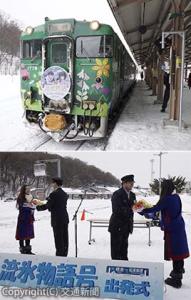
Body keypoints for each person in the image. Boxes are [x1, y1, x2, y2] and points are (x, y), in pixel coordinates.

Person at [142, 179, 189, 288]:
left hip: (173, 229)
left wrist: (141, 210)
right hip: (178, 227)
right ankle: (178, 272)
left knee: (175, 252)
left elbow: (155, 208)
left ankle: (177, 280)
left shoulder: (167, 199)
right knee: (179, 252)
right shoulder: (176, 197)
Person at [37, 177, 69, 256]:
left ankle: (59, 255)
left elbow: (49, 205)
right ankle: (64, 254)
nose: (51, 184)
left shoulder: (53, 194)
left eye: (52, 183)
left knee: (58, 238)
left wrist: (38, 207)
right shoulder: (64, 194)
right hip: (64, 218)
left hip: (57, 219)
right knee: (64, 237)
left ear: (55, 183)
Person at [108, 175, 136, 260]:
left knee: (124, 249)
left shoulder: (132, 195)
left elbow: (134, 207)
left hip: (127, 226)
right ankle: (115, 268)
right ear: (124, 183)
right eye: (130, 183)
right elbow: (116, 210)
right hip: (117, 226)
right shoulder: (117, 194)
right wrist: (131, 209)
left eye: (133, 183)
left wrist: (141, 208)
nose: (132, 185)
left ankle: (124, 266)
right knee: (116, 250)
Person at [15, 185, 36, 254]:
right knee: (22, 233)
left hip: (29, 217)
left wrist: (33, 207)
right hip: (22, 217)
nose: (28, 190)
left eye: (29, 189)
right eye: (27, 189)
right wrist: (29, 205)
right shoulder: (21, 196)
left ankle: (28, 249)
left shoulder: (31, 196)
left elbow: (33, 206)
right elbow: (18, 206)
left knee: (28, 233)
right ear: (23, 189)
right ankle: (22, 249)